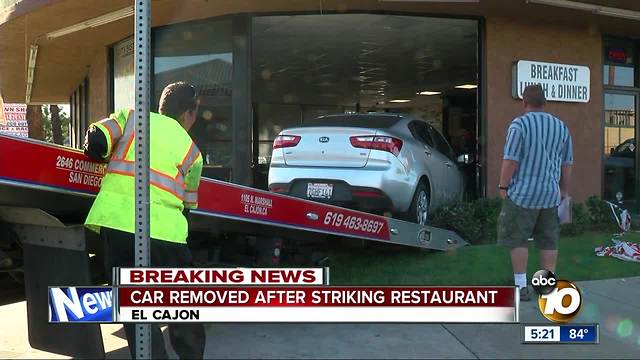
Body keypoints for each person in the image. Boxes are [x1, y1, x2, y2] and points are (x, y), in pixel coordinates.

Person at [83, 82, 205, 358]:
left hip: (118, 226)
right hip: (168, 237)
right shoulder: (193, 152)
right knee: (182, 303)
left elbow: (97, 138)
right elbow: (189, 204)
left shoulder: (131, 117)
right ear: (189, 113)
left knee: (136, 308)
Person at [497, 84, 573, 301]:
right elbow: (567, 164)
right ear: (544, 102)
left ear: (524, 102)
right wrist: (564, 191)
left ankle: (521, 286)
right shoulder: (561, 127)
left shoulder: (519, 125)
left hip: (522, 194)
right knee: (549, 240)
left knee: (518, 239)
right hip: (550, 194)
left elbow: (510, 159)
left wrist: (503, 186)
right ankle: (546, 289)